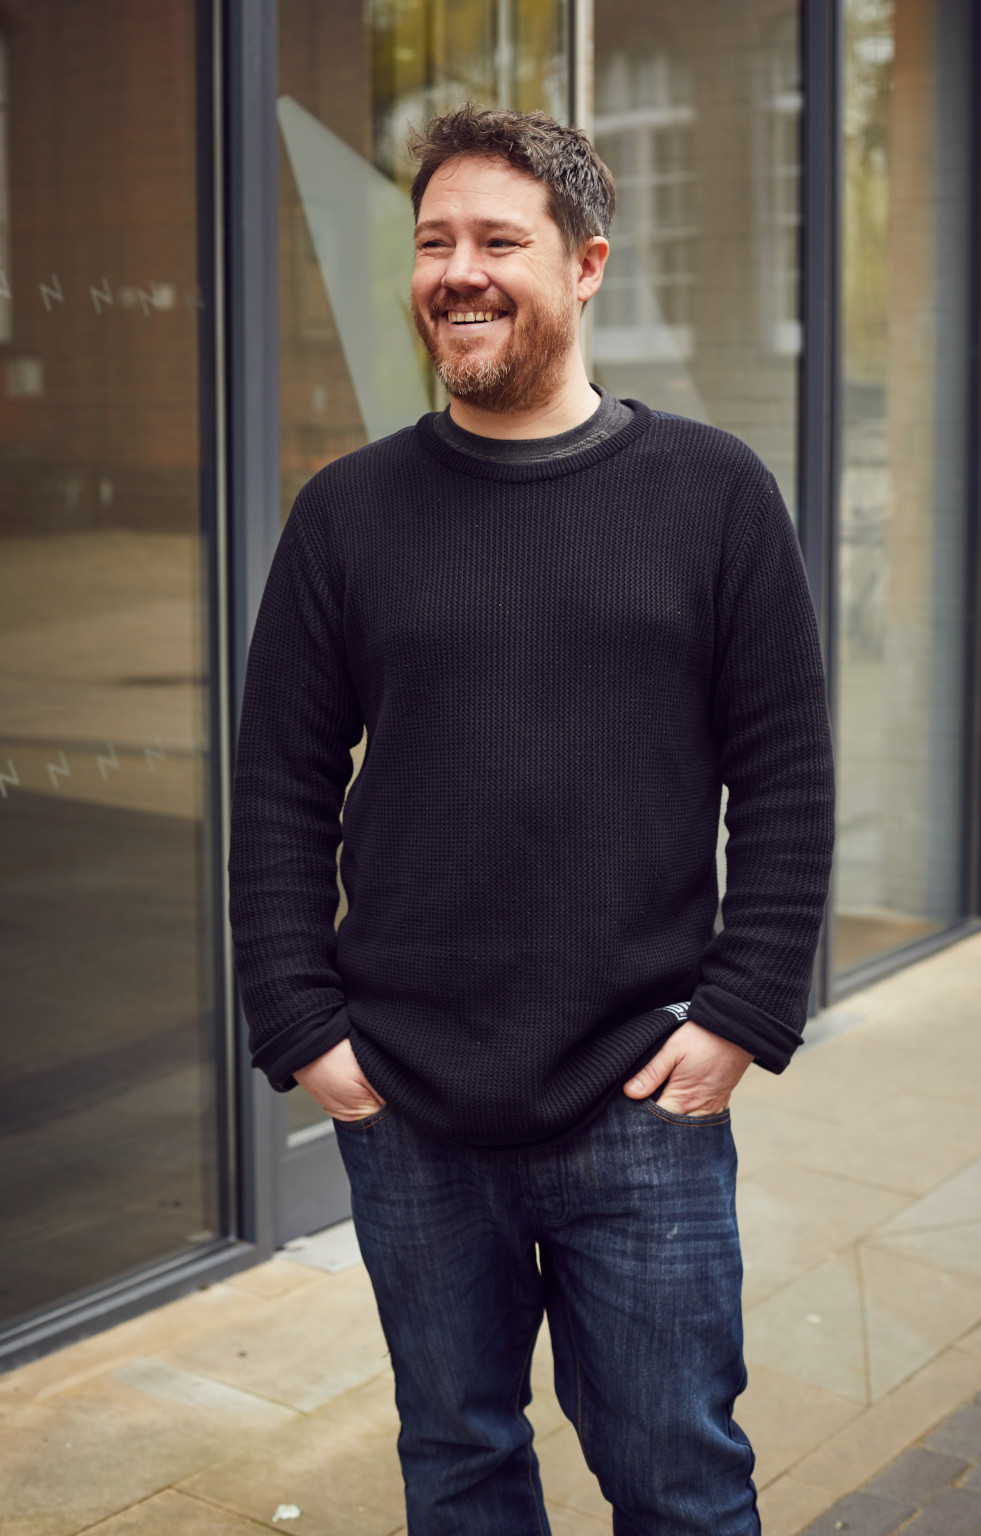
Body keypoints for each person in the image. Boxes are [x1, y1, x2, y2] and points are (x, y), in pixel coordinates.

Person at [229, 105, 834, 1536]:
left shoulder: (714, 495)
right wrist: (308, 1030)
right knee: (459, 1470)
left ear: (587, 265)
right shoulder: (346, 515)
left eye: (500, 239)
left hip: (644, 1097)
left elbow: (790, 775)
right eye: (435, 241)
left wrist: (742, 1013)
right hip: (412, 1103)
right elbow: (278, 789)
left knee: (682, 1483)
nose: (460, 270)